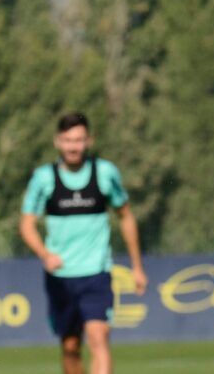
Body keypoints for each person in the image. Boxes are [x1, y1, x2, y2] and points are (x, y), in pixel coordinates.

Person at [19, 112, 148, 374]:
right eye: (67, 140)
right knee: (70, 346)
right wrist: (45, 254)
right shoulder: (44, 178)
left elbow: (126, 216)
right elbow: (26, 224)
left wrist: (137, 266)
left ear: (89, 141)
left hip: (96, 272)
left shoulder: (105, 173)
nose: (73, 146)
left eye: (78, 140)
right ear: (57, 142)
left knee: (99, 338)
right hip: (61, 276)